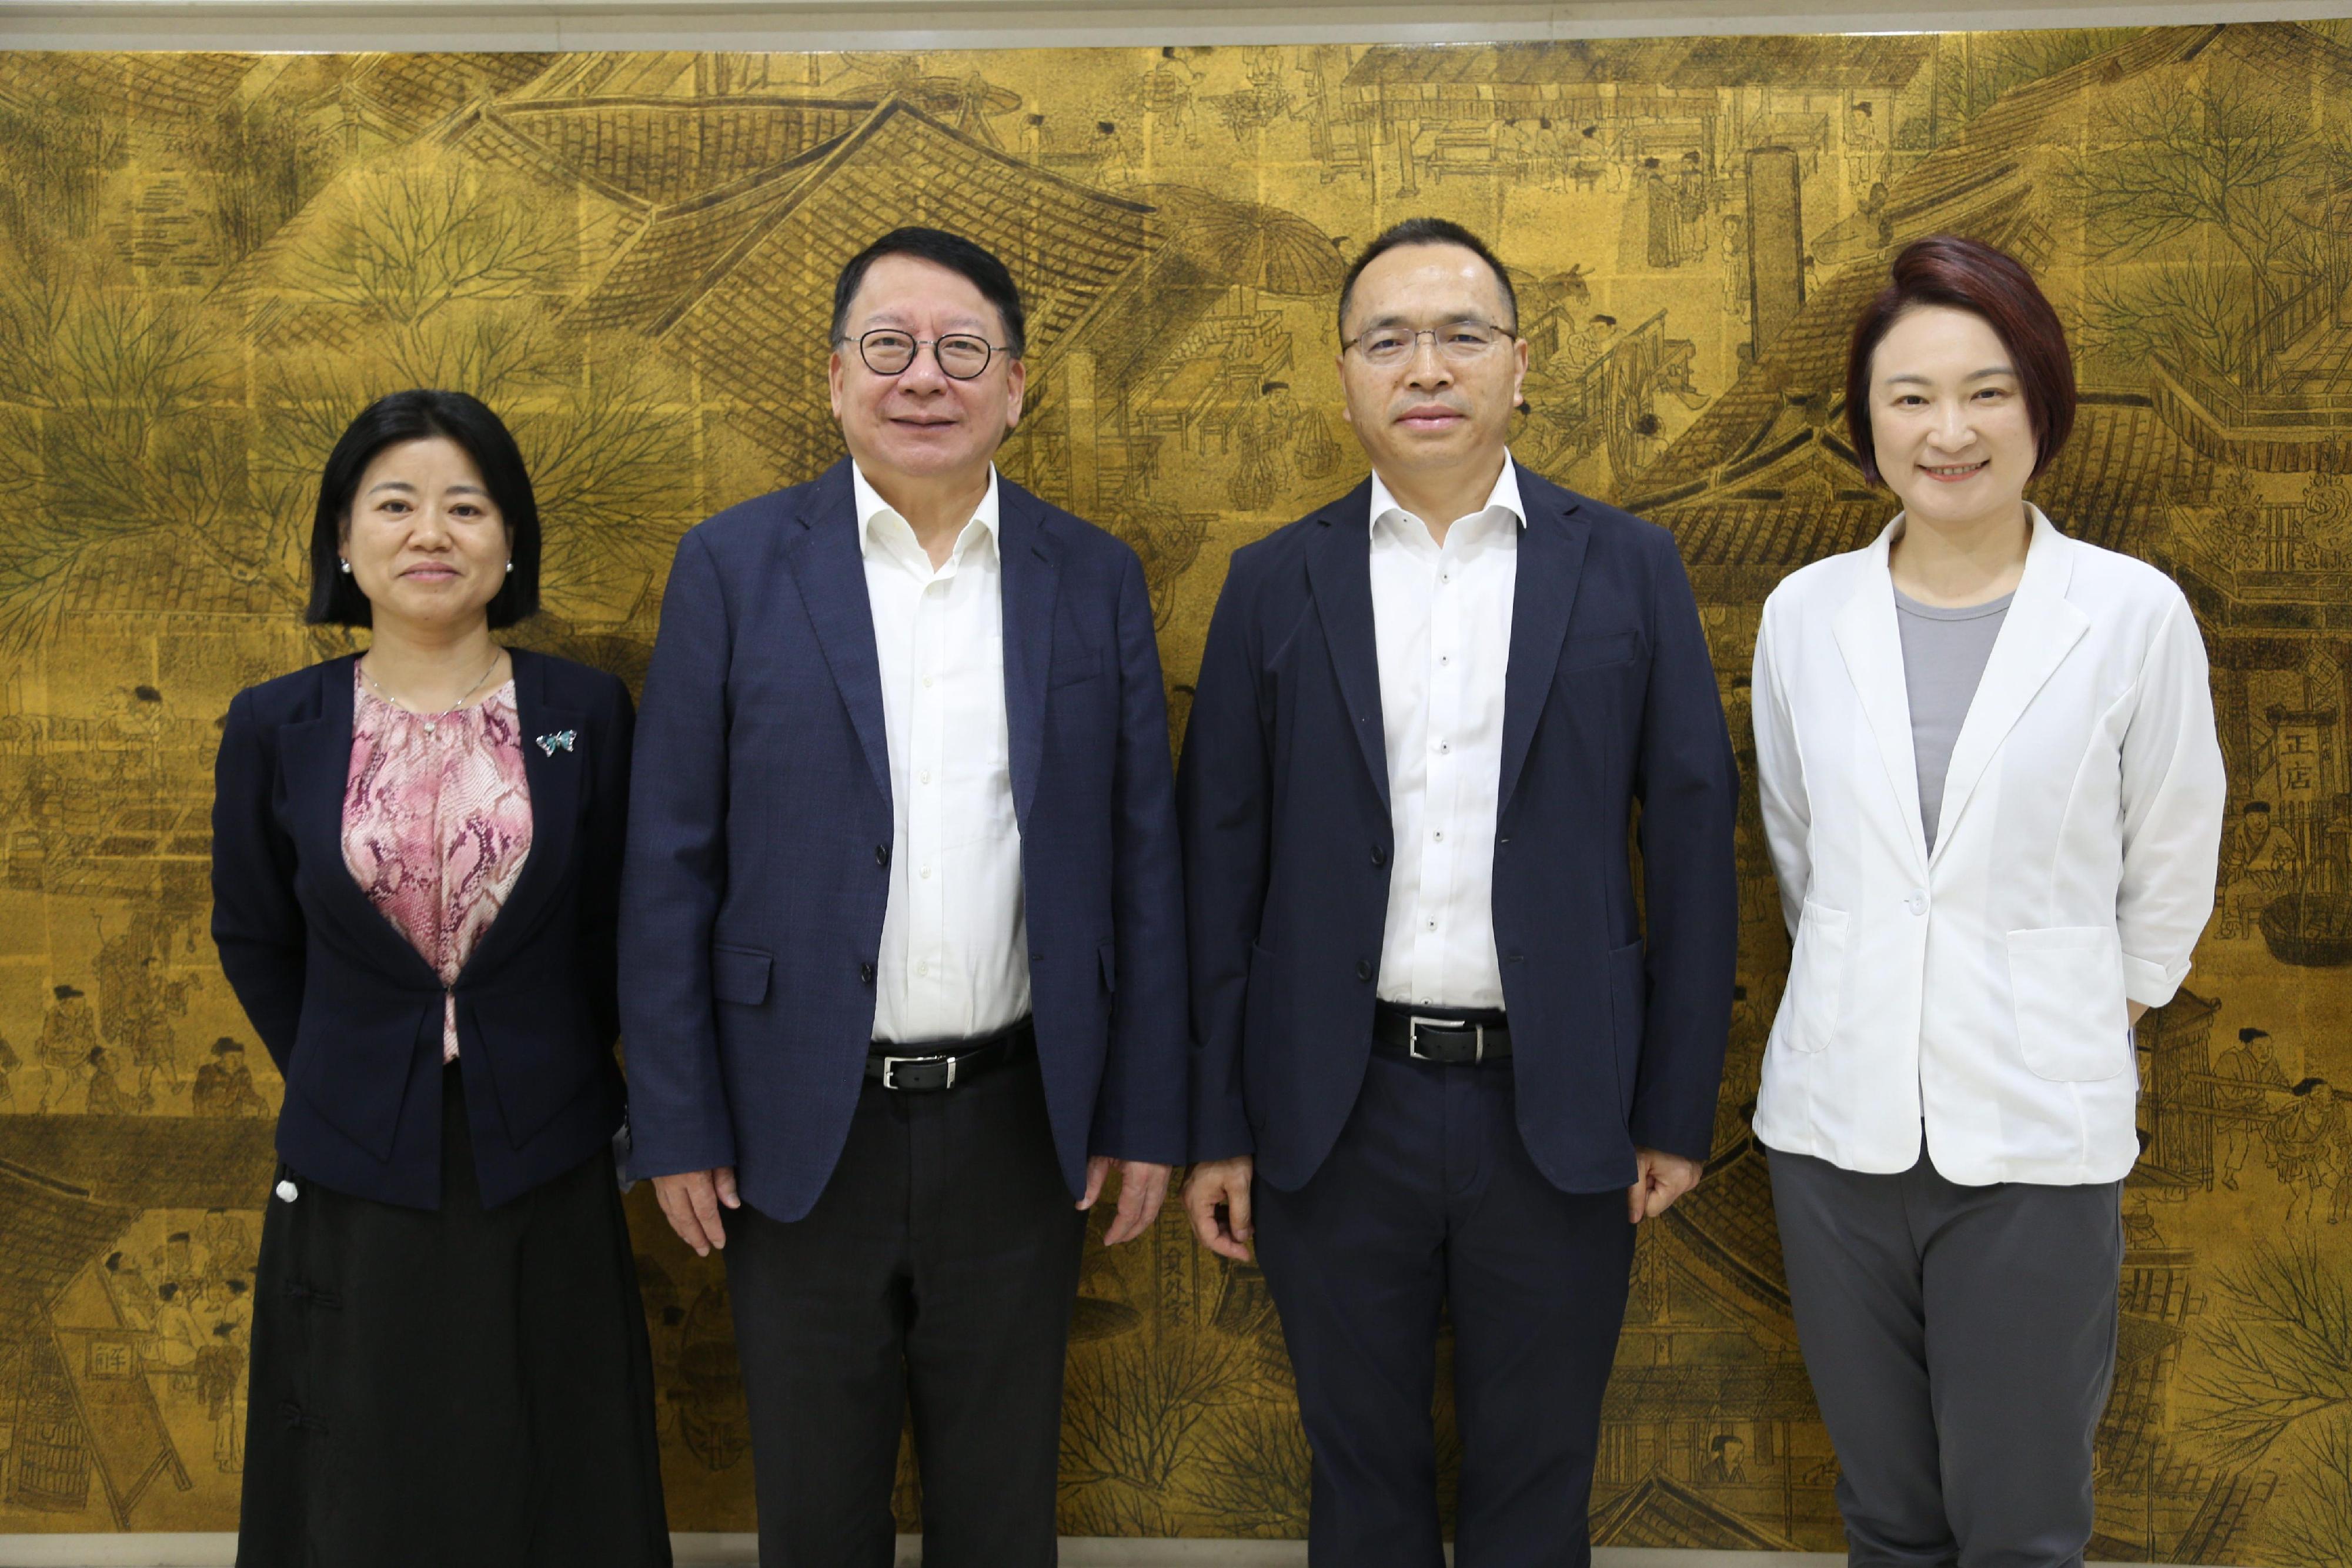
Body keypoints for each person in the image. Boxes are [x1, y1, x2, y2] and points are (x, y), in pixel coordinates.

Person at [620, 227, 1187, 1568]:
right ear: (832, 378)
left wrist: (1144, 1109)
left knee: (1002, 1512)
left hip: (1018, 1121)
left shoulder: (1089, 575)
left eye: (959, 351)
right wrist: (677, 1119)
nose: (921, 378)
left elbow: (1141, 862)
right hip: (789, 1129)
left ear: (1015, 384)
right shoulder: (733, 565)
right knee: (816, 1514)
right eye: (888, 348)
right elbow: (667, 863)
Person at [1179, 216, 1739, 1566]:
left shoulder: (1626, 567)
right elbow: (1217, 872)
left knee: (1537, 1485)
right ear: (1346, 375)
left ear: (1518, 363)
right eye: (1387, 341)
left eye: (1459, 335)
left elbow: (1691, 841)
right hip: (1332, 1110)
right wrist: (1219, 1124)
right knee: (1357, 1482)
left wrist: (1670, 1107)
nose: (1423, 367)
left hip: (1557, 1112)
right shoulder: (1272, 583)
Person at [1749, 235, 2226, 1566]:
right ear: (1866, 425)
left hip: (2032, 1139)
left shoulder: (2129, 617)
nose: (1946, 430)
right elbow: (1804, 851)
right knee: (1887, 1519)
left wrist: (2104, 999)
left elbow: (2172, 850)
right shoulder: (1802, 615)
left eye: (1986, 390)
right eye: (1909, 397)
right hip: (1833, 1137)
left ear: (2039, 406)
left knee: (2019, 1528)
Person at [210, 389, 670, 1568]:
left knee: (550, 1449)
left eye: (467, 506)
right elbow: (255, 932)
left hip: (547, 1142)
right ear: (344, 543)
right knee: (362, 1461)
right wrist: (349, 1059)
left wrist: (557, 1053)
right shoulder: (278, 725)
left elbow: (623, 922)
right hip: (354, 1146)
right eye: (397, 505)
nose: (432, 533)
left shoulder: (578, 717)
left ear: (509, 543)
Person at [2214, 1026, 2289, 1189]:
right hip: (2233, 1110)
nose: (2266, 1053)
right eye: (2260, 1048)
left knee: (2272, 1127)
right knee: (2241, 1142)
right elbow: (2230, 1093)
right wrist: (2256, 1094)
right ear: (2249, 1046)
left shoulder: (2270, 1064)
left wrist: (2285, 1088)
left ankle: (2274, 1155)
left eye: (2269, 1048)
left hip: (2256, 1107)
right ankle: (2229, 1176)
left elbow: (2279, 1081)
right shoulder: (2231, 1059)